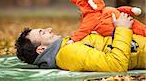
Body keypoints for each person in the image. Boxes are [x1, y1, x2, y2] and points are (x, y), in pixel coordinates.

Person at [15, 13, 146, 72]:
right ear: (41, 50)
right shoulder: (67, 54)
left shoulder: (66, 44)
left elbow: (101, 45)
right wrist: (122, 28)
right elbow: (116, 65)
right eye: (43, 32)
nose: (49, 29)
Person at [67, 0, 146, 44]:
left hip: (121, 27)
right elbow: (119, 10)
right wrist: (131, 10)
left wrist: (73, 39)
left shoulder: (91, 17)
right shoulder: (104, 10)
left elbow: (83, 30)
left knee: (138, 32)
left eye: (81, 7)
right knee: (140, 29)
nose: (79, 11)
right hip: (125, 23)